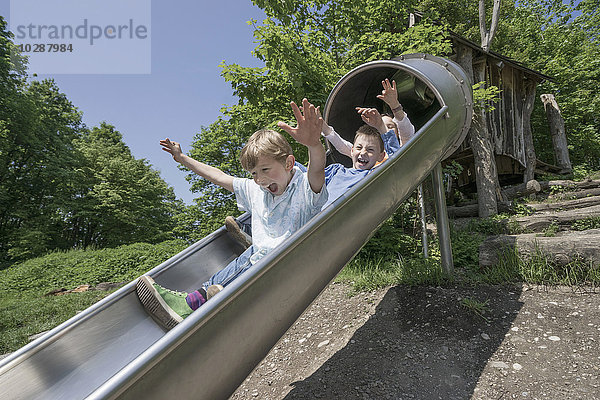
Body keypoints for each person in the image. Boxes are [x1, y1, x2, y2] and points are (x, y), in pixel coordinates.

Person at [137, 98, 328, 330]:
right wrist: (182, 158)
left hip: (289, 264)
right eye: (254, 173)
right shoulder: (258, 190)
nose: (260, 179)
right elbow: (218, 177)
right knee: (249, 257)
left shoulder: (305, 190)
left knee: (256, 255)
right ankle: (212, 298)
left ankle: (195, 302)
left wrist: (314, 145)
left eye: (265, 170)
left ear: (289, 163)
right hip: (259, 263)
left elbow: (317, 170)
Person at [322, 78, 415, 161]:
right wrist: (323, 126)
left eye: (390, 126)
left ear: (398, 133)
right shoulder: (367, 154)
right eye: (382, 125)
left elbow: (406, 129)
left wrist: (394, 105)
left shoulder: (403, 147)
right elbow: (343, 146)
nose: (386, 129)